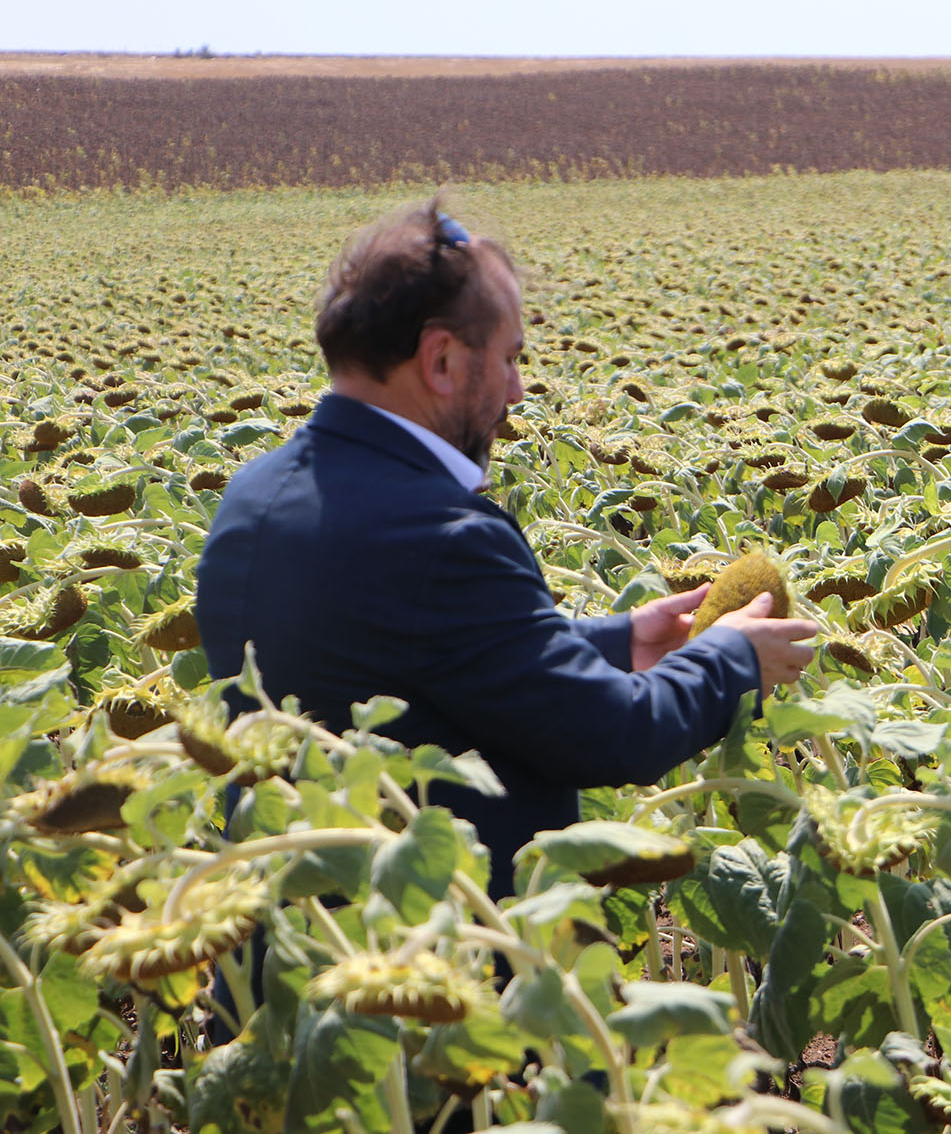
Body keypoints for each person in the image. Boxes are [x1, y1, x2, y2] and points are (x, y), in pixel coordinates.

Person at [194, 197, 817, 892]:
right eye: (511, 358)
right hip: (426, 963)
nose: (517, 389)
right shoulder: (443, 540)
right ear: (440, 359)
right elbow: (614, 734)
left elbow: (411, 657)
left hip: (284, 959)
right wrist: (729, 659)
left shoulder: (253, 493)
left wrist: (616, 644)